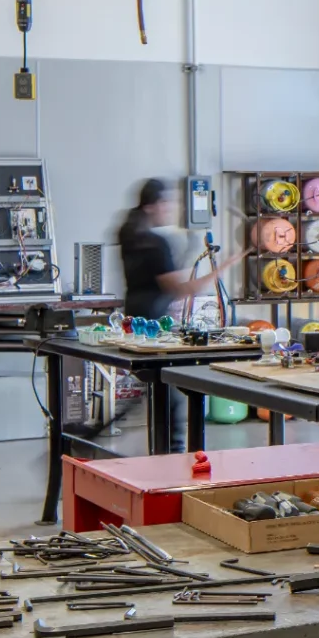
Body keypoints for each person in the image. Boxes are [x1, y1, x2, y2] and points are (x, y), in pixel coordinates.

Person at [113, 180, 233, 444]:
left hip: (134, 321)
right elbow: (178, 288)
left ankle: (163, 450)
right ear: (152, 205)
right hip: (155, 327)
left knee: (159, 391)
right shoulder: (155, 242)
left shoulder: (126, 231)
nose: (169, 210)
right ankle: (174, 453)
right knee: (172, 395)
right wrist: (219, 270)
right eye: (166, 203)